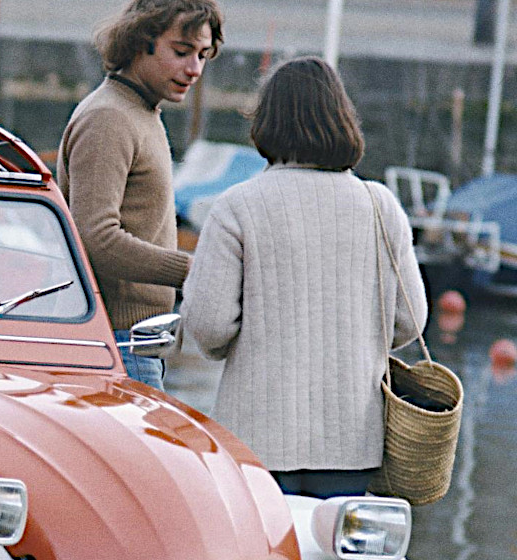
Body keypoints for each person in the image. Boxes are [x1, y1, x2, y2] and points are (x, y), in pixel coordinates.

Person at [181, 57, 428, 499]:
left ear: (266, 123)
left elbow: (209, 325)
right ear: (343, 118)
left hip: (255, 438)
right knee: (334, 546)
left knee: (263, 544)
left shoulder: (236, 206)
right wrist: (359, 343)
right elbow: (411, 320)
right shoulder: (380, 205)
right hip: (352, 441)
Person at [56, 0, 222, 392]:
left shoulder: (140, 112)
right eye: (181, 52)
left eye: (202, 55)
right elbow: (96, 238)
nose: (194, 69)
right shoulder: (109, 118)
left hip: (137, 345)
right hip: (118, 347)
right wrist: (194, 270)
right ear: (138, 42)